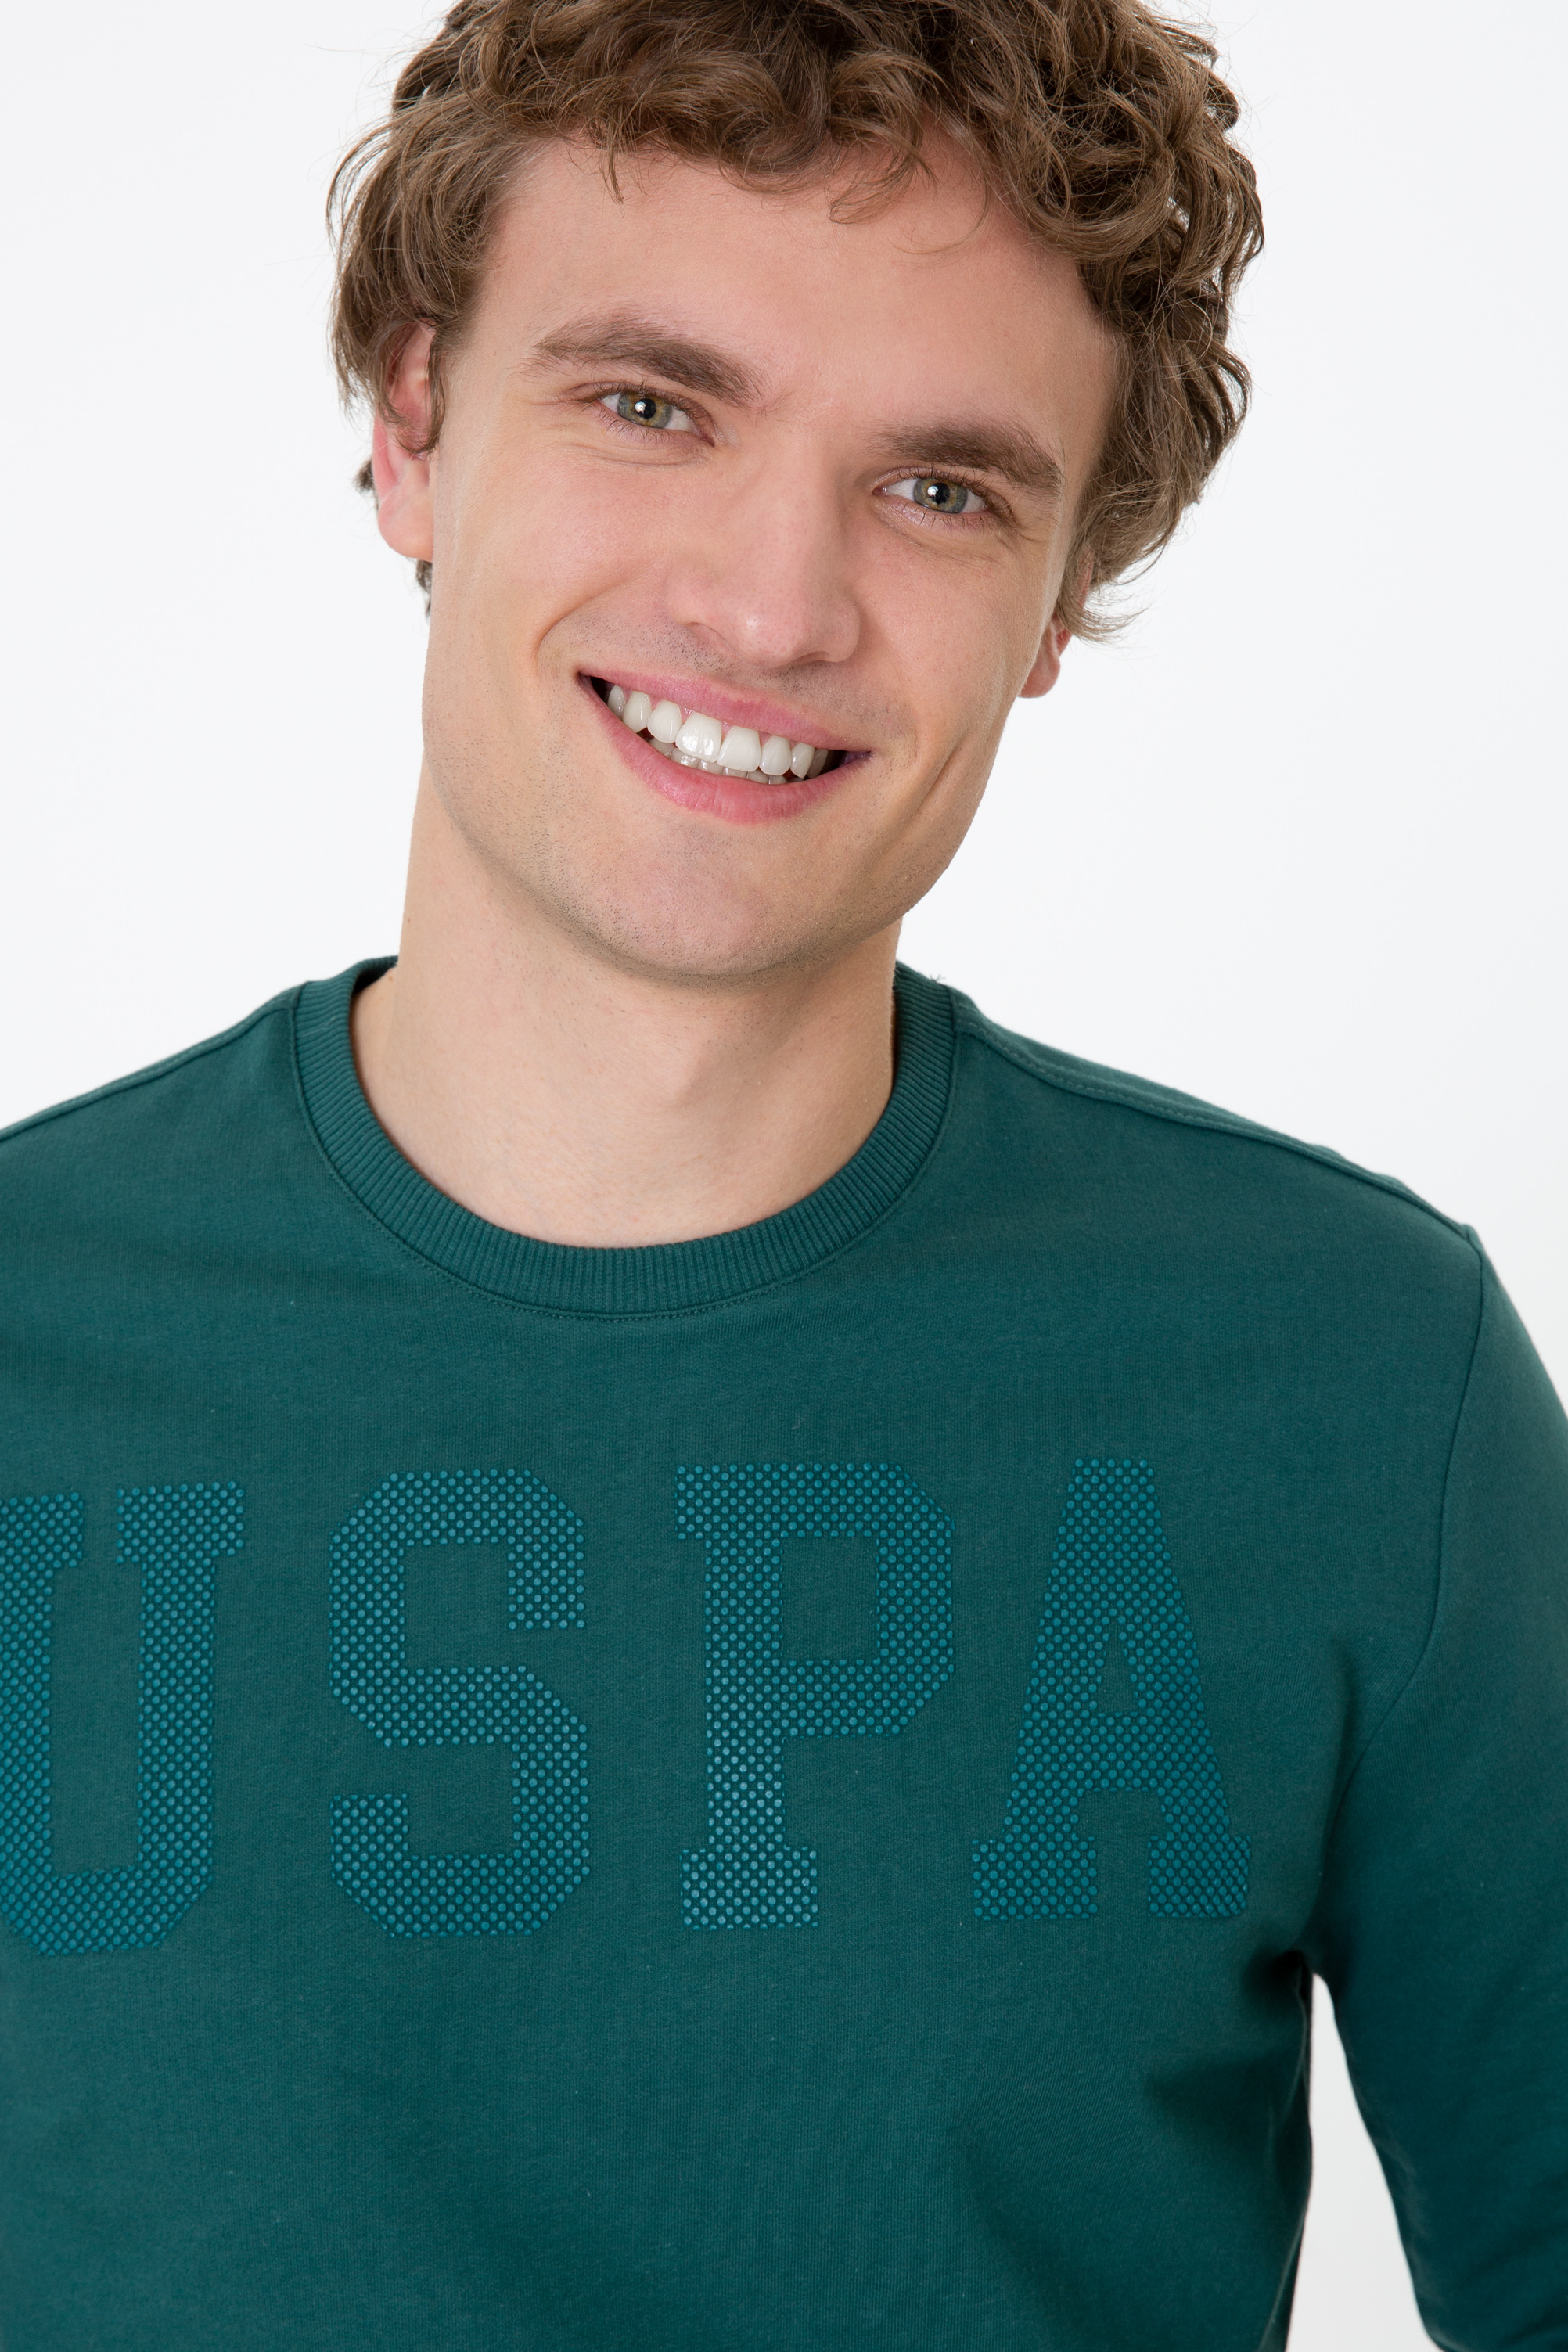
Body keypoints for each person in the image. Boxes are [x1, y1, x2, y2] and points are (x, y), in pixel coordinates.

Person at [0, 0, 1562, 2344]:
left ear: (1059, 601)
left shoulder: (1357, 1382)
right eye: (651, 406)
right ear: (411, 423)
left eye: (941, 490)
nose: (770, 607)